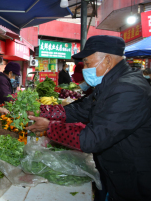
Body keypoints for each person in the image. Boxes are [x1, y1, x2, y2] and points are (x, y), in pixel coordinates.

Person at [26, 35, 151, 201]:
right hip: (114, 169)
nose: (85, 68)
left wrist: (49, 127)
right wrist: (41, 111)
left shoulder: (128, 89)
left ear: (107, 60)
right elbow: (80, 109)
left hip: (134, 178)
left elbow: (92, 138)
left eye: (87, 63)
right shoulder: (110, 84)